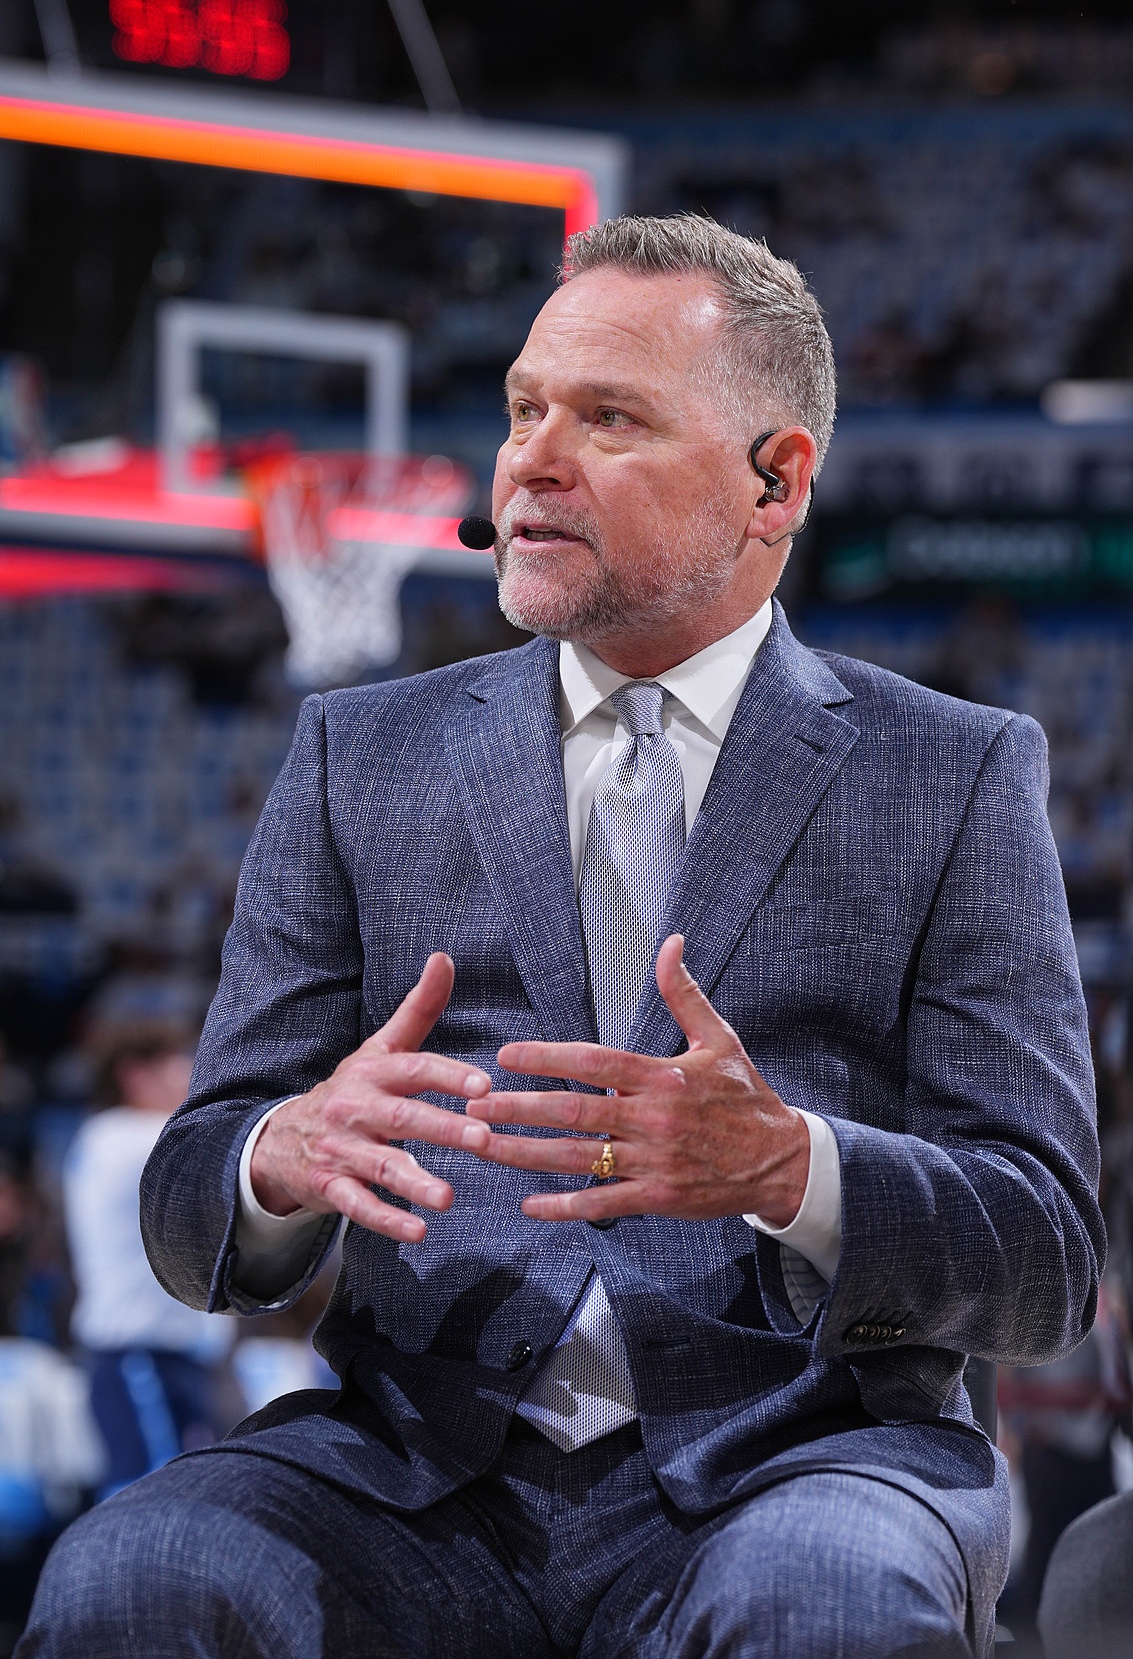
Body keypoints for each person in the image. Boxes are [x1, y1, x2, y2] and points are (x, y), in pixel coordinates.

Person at [19, 214, 1103, 1659]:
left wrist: (791, 1167)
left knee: (826, 1599)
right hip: (410, 1468)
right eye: (524, 407)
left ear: (774, 480)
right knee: (133, 1571)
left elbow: (1043, 1255)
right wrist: (280, 1152)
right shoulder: (357, 754)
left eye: (609, 417)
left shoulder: (951, 771)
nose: (531, 456)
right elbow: (188, 1201)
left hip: (804, 1456)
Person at [60, 1023, 234, 1497]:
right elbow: (239, 1151)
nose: (188, 1077)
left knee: (166, 1498)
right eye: (175, 1065)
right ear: (134, 1074)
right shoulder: (128, 1138)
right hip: (143, 1356)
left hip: (159, 1356)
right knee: (156, 1500)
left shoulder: (105, 1138)